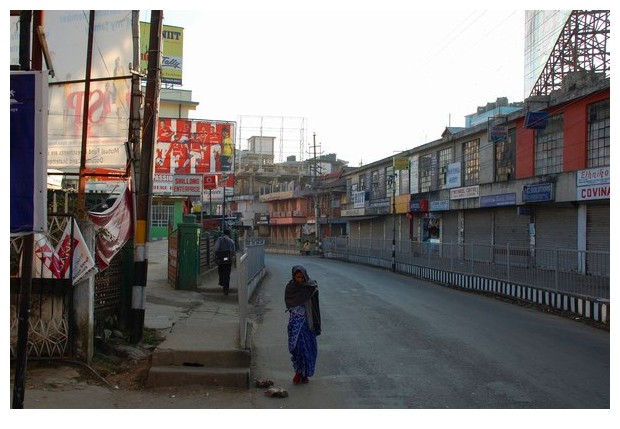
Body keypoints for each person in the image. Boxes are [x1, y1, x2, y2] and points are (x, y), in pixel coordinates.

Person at [284, 265, 321, 384]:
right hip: (295, 323)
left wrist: (316, 323)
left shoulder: (311, 287)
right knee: (297, 349)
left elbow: (316, 307)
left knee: (307, 349)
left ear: (305, 276)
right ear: (294, 276)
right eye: (297, 277)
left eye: (302, 277)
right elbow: (289, 302)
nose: (300, 280)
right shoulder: (290, 287)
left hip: (307, 323)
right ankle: (298, 371)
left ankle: (304, 374)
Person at [214, 229, 236, 295]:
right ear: (229, 234)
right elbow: (233, 252)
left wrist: (215, 257)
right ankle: (226, 289)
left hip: (221, 260)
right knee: (227, 274)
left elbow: (216, 249)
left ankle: (221, 282)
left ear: (223, 233)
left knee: (221, 271)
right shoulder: (231, 241)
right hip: (228, 260)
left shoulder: (219, 239)